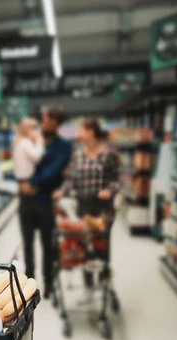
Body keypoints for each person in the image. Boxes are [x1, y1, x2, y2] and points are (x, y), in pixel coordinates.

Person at [53, 118, 121, 304]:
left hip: (103, 209)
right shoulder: (78, 154)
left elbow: (117, 179)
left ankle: (104, 283)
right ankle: (90, 288)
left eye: (81, 129)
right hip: (84, 207)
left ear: (91, 131)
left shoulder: (109, 153)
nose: (78, 133)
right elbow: (71, 180)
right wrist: (62, 192)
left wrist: (110, 190)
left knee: (102, 247)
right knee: (85, 247)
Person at [18, 106, 72, 298]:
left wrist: (33, 183)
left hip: (45, 201)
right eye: (44, 120)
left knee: (48, 244)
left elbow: (54, 169)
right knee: (28, 244)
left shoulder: (64, 146)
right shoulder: (31, 139)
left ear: (58, 125)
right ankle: (29, 283)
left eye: (50, 122)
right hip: (26, 201)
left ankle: (49, 282)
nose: (45, 125)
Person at [12, 117, 44, 182]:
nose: (37, 132)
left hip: (21, 178)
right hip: (27, 179)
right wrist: (39, 142)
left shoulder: (20, 142)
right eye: (34, 129)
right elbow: (37, 157)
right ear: (26, 131)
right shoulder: (26, 143)